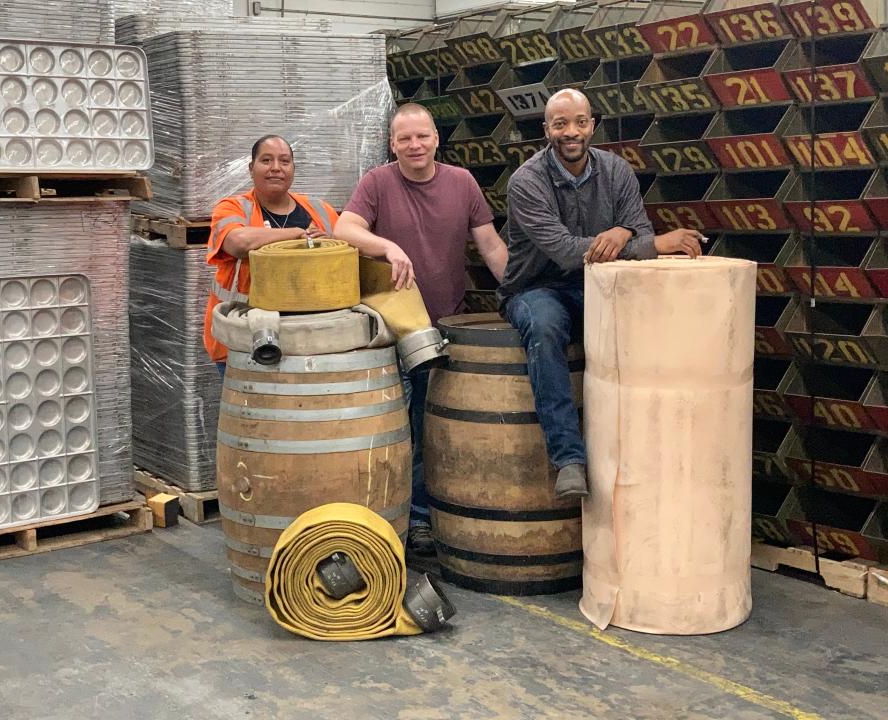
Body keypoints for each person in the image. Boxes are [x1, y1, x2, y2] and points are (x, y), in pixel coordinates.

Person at [498, 88, 704, 499]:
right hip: (537, 287)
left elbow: (640, 232)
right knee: (545, 325)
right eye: (560, 124)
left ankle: (648, 446)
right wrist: (646, 241)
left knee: (647, 322)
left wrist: (625, 231)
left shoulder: (616, 171)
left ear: (592, 125)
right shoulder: (527, 182)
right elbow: (567, 250)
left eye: (579, 122)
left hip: (600, 284)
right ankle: (569, 460)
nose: (570, 132)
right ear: (546, 130)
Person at [333, 103, 509, 556]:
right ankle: (403, 519)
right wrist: (387, 245)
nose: (415, 145)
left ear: (436, 139)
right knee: (398, 427)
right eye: (404, 138)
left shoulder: (462, 182)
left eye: (422, 136)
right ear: (392, 144)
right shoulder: (377, 182)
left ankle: (425, 516)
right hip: (393, 330)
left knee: (430, 427)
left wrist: (519, 292)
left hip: (445, 324)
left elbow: (489, 244)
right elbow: (344, 226)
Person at [204, 135, 339, 373]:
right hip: (244, 340)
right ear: (251, 168)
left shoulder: (320, 211)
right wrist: (296, 234)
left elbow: (347, 251)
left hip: (309, 341)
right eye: (266, 160)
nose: (276, 168)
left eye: (284, 161)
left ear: (293, 168)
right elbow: (238, 242)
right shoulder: (233, 208)